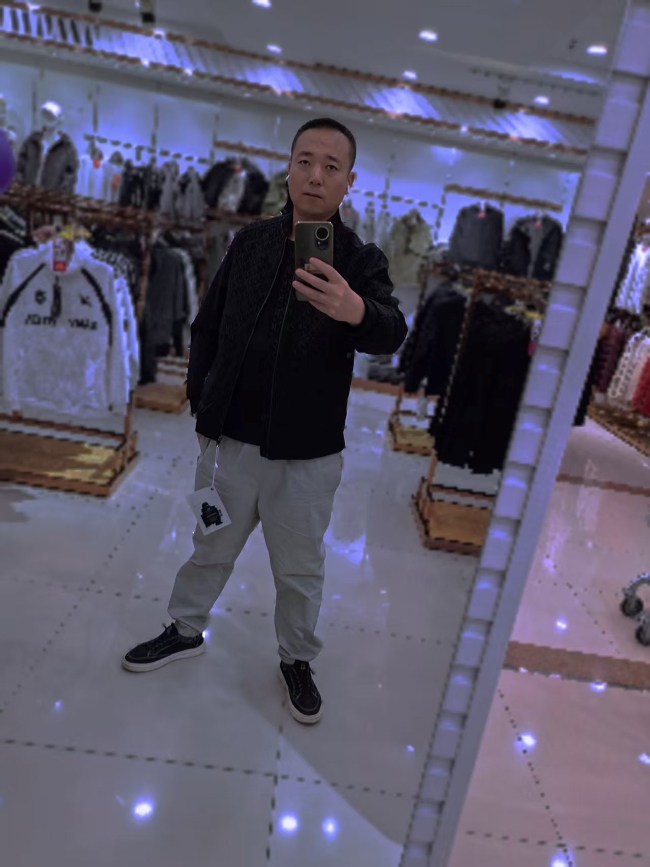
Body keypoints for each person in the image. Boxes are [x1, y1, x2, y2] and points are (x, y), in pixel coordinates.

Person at [122, 117, 408, 725]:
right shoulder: (249, 243)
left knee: (300, 570)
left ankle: (296, 659)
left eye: (331, 166)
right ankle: (184, 628)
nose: (315, 175)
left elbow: (391, 331)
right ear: (288, 167)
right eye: (305, 160)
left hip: (307, 455)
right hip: (228, 443)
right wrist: (201, 402)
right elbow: (207, 325)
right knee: (209, 545)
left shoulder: (361, 260)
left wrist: (355, 309)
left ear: (349, 181)